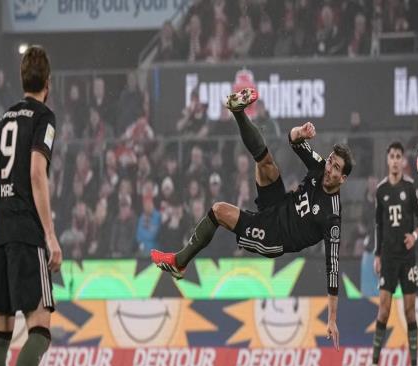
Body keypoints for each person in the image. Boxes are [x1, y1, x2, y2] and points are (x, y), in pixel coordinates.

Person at [152, 88, 354, 350]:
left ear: (343, 179)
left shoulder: (332, 217)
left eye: (336, 168)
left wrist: (332, 318)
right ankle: (238, 112)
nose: (329, 169)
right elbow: (293, 140)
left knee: (218, 211)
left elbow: (333, 266)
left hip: (274, 236)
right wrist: (301, 132)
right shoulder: (319, 166)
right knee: (266, 162)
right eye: (330, 162)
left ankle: (179, 262)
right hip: (278, 204)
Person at [0, 45, 62, 366]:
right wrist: (50, 235)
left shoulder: (3, 120)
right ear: (48, 83)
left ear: (22, 80)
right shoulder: (43, 117)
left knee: (0, 333)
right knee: (41, 326)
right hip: (25, 232)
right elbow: (36, 172)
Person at [366, 142, 418, 366]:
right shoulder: (381, 190)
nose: (394, 160)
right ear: (387, 160)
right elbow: (378, 225)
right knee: (384, 309)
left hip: (407, 258)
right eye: (391, 156)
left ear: (403, 161)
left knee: (410, 311)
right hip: (389, 258)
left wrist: (415, 235)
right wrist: (377, 255)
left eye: (398, 156)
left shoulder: (410, 188)